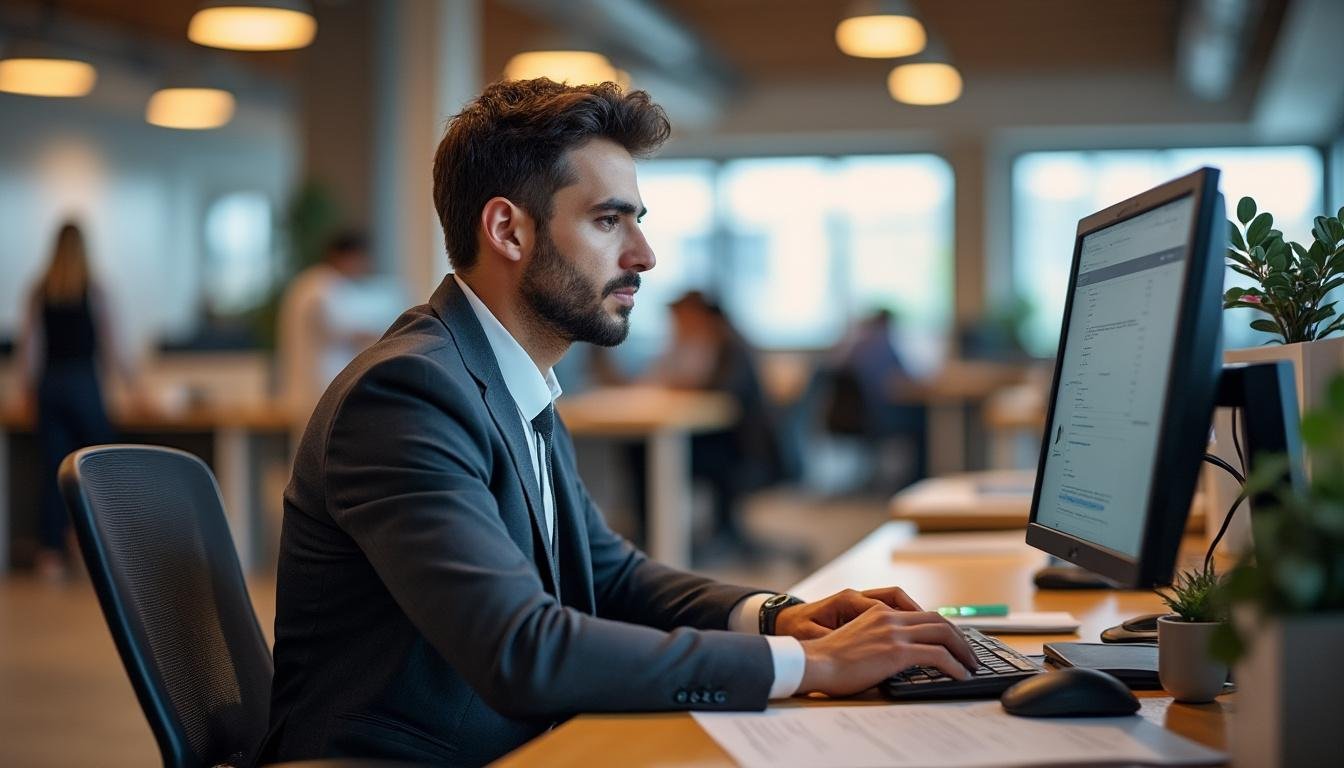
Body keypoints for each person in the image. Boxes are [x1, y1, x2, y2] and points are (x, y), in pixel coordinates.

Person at [262, 79, 976, 765]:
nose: (643, 256)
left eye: (636, 220)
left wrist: (777, 617)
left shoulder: (511, 378)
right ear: (508, 229)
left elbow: (611, 575)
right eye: (609, 220)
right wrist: (808, 662)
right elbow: (522, 649)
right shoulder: (408, 392)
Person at [15, 221, 133, 580]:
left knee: (54, 471)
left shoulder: (40, 290)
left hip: (50, 388)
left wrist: (25, 390)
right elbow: (113, 348)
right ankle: (95, 548)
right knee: (96, 470)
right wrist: (135, 388)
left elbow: (30, 350)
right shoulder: (93, 289)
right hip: (84, 386)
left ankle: (51, 556)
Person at [276, 230, 380, 428]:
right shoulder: (323, 287)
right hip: (320, 385)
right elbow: (348, 331)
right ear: (347, 256)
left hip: (312, 385)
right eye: (361, 260)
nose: (363, 267)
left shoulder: (309, 283)